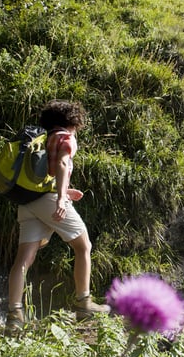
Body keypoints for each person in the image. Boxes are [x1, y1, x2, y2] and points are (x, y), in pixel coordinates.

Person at [6, 100, 109, 331]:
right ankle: (84, 303)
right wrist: (62, 197)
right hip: (50, 200)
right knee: (84, 246)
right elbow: (62, 163)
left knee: (23, 260)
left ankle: (14, 316)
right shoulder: (66, 137)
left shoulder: (41, 139)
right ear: (73, 120)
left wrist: (64, 191)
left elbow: (45, 173)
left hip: (28, 201)